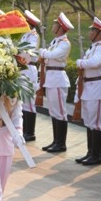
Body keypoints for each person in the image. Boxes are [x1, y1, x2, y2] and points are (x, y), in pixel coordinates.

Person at [74, 17, 101, 166]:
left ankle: (97, 155)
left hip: (97, 87)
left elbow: (95, 63)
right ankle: (90, 152)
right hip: (89, 87)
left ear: (99, 33)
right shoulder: (93, 47)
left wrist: (81, 63)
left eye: (93, 31)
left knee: (96, 123)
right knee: (89, 122)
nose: (90, 33)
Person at [39, 12, 73, 153]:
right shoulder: (55, 42)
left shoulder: (64, 43)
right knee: (53, 111)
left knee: (60, 112)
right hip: (51, 78)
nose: (53, 26)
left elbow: (51, 55)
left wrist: (43, 52)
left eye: (55, 24)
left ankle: (61, 143)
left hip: (58, 78)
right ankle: (55, 141)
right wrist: (44, 53)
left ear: (60, 28)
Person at [20, 10, 40, 142]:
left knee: (29, 102)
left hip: (29, 69)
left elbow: (29, 51)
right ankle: (24, 130)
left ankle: (30, 132)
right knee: (22, 102)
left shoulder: (33, 36)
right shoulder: (24, 35)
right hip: (22, 69)